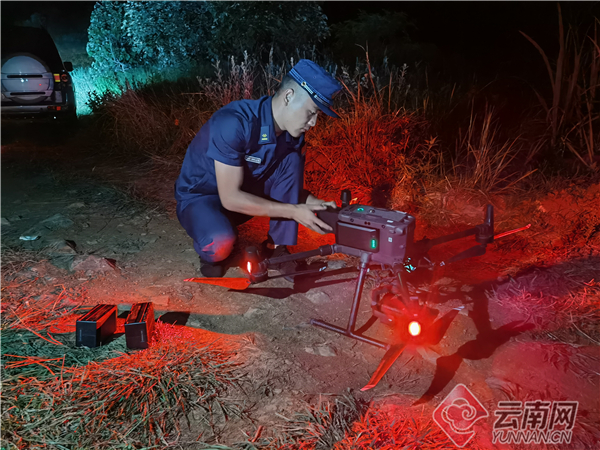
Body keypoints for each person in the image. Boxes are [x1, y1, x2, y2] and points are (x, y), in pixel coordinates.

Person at [174, 59, 342, 278]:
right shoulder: (235, 122)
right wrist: (294, 211)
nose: (313, 123)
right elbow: (230, 198)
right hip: (202, 197)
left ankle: (277, 248)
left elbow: (287, 189)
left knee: (291, 160)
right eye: (311, 112)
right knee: (220, 243)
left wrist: (318, 204)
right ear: (289, 96)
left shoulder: (292, 136)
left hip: (244, 194)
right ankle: (214, 242)